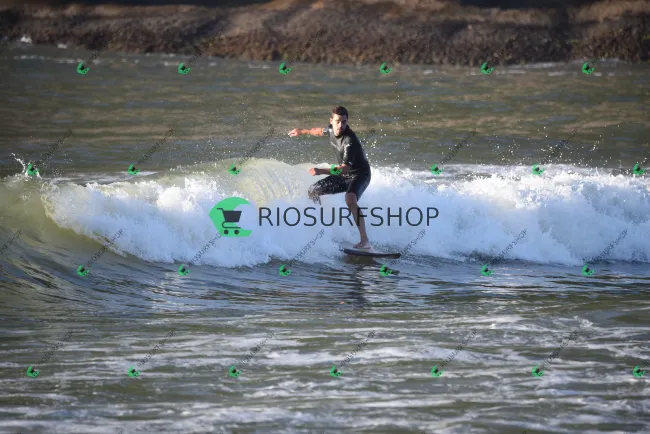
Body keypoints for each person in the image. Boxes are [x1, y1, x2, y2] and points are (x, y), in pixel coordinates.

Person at [288, 106, 372, 249]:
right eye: (338, 121)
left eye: (344, 122)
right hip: (345, 175)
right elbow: (318, 131)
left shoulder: (349, 141)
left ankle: (365, 241)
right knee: (313, 191)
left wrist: (320, 171)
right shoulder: (330, 130)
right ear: (331, 121)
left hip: (360, 175)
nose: (341, 125)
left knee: (350, 198)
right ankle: (320, 226)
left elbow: (344, 168)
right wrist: (301, 131)